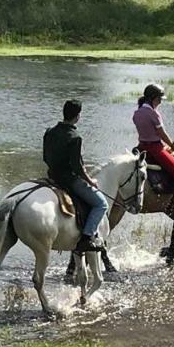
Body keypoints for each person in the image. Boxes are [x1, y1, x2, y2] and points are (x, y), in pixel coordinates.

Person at [43, 99, 107, 252]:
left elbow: (45, 158)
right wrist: (90, 181)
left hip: (52, 177)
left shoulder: (49, 131)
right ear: (78, 116)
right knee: (101, 204)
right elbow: (78, 167)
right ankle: (87, 238)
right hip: (69, 181)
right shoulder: (75, 137)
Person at [132, 83, 174, 217]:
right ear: (153, 98)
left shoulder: (137, 113)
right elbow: (161, 133)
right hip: (155, 148)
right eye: (160, 98)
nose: (161, 101)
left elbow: (146, 132)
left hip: (140, 146)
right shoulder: (154, 114)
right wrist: (172, 144)